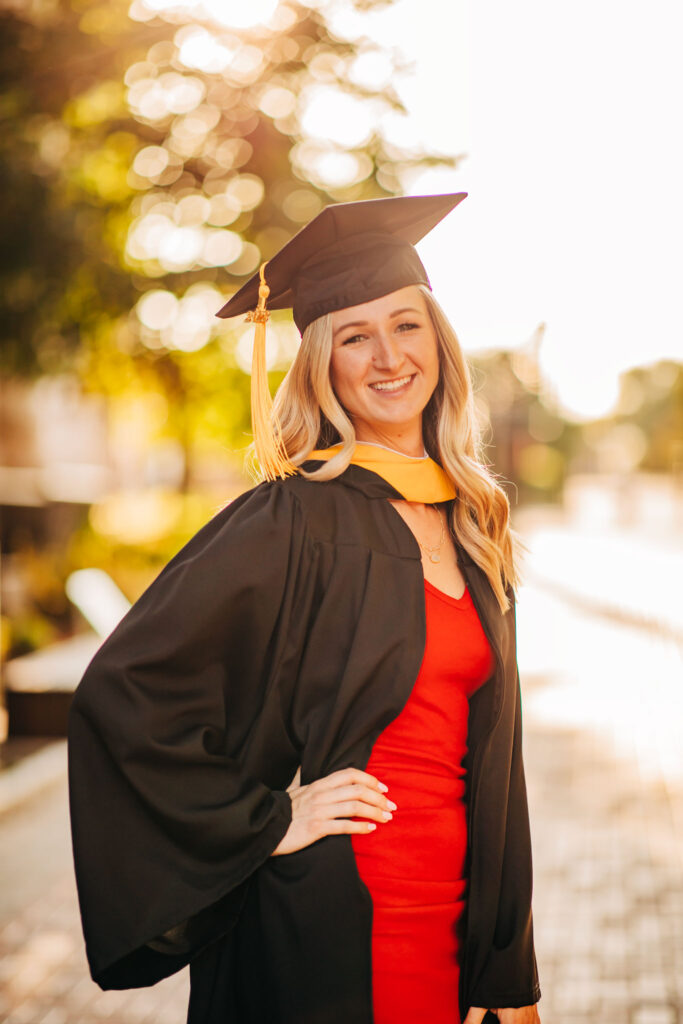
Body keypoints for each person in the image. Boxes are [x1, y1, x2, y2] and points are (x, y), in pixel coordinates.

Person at [68, 193, 542, 1024]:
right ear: (320, 362)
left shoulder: (470, 521)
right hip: (331, 925)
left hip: (456, 927)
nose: (387, 356)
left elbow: (494, 766)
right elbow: (126, 691)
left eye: (406, 325)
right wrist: (265, 820)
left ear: (440, 343)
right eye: (353, 336)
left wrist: (509, 977)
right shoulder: (292, 517)